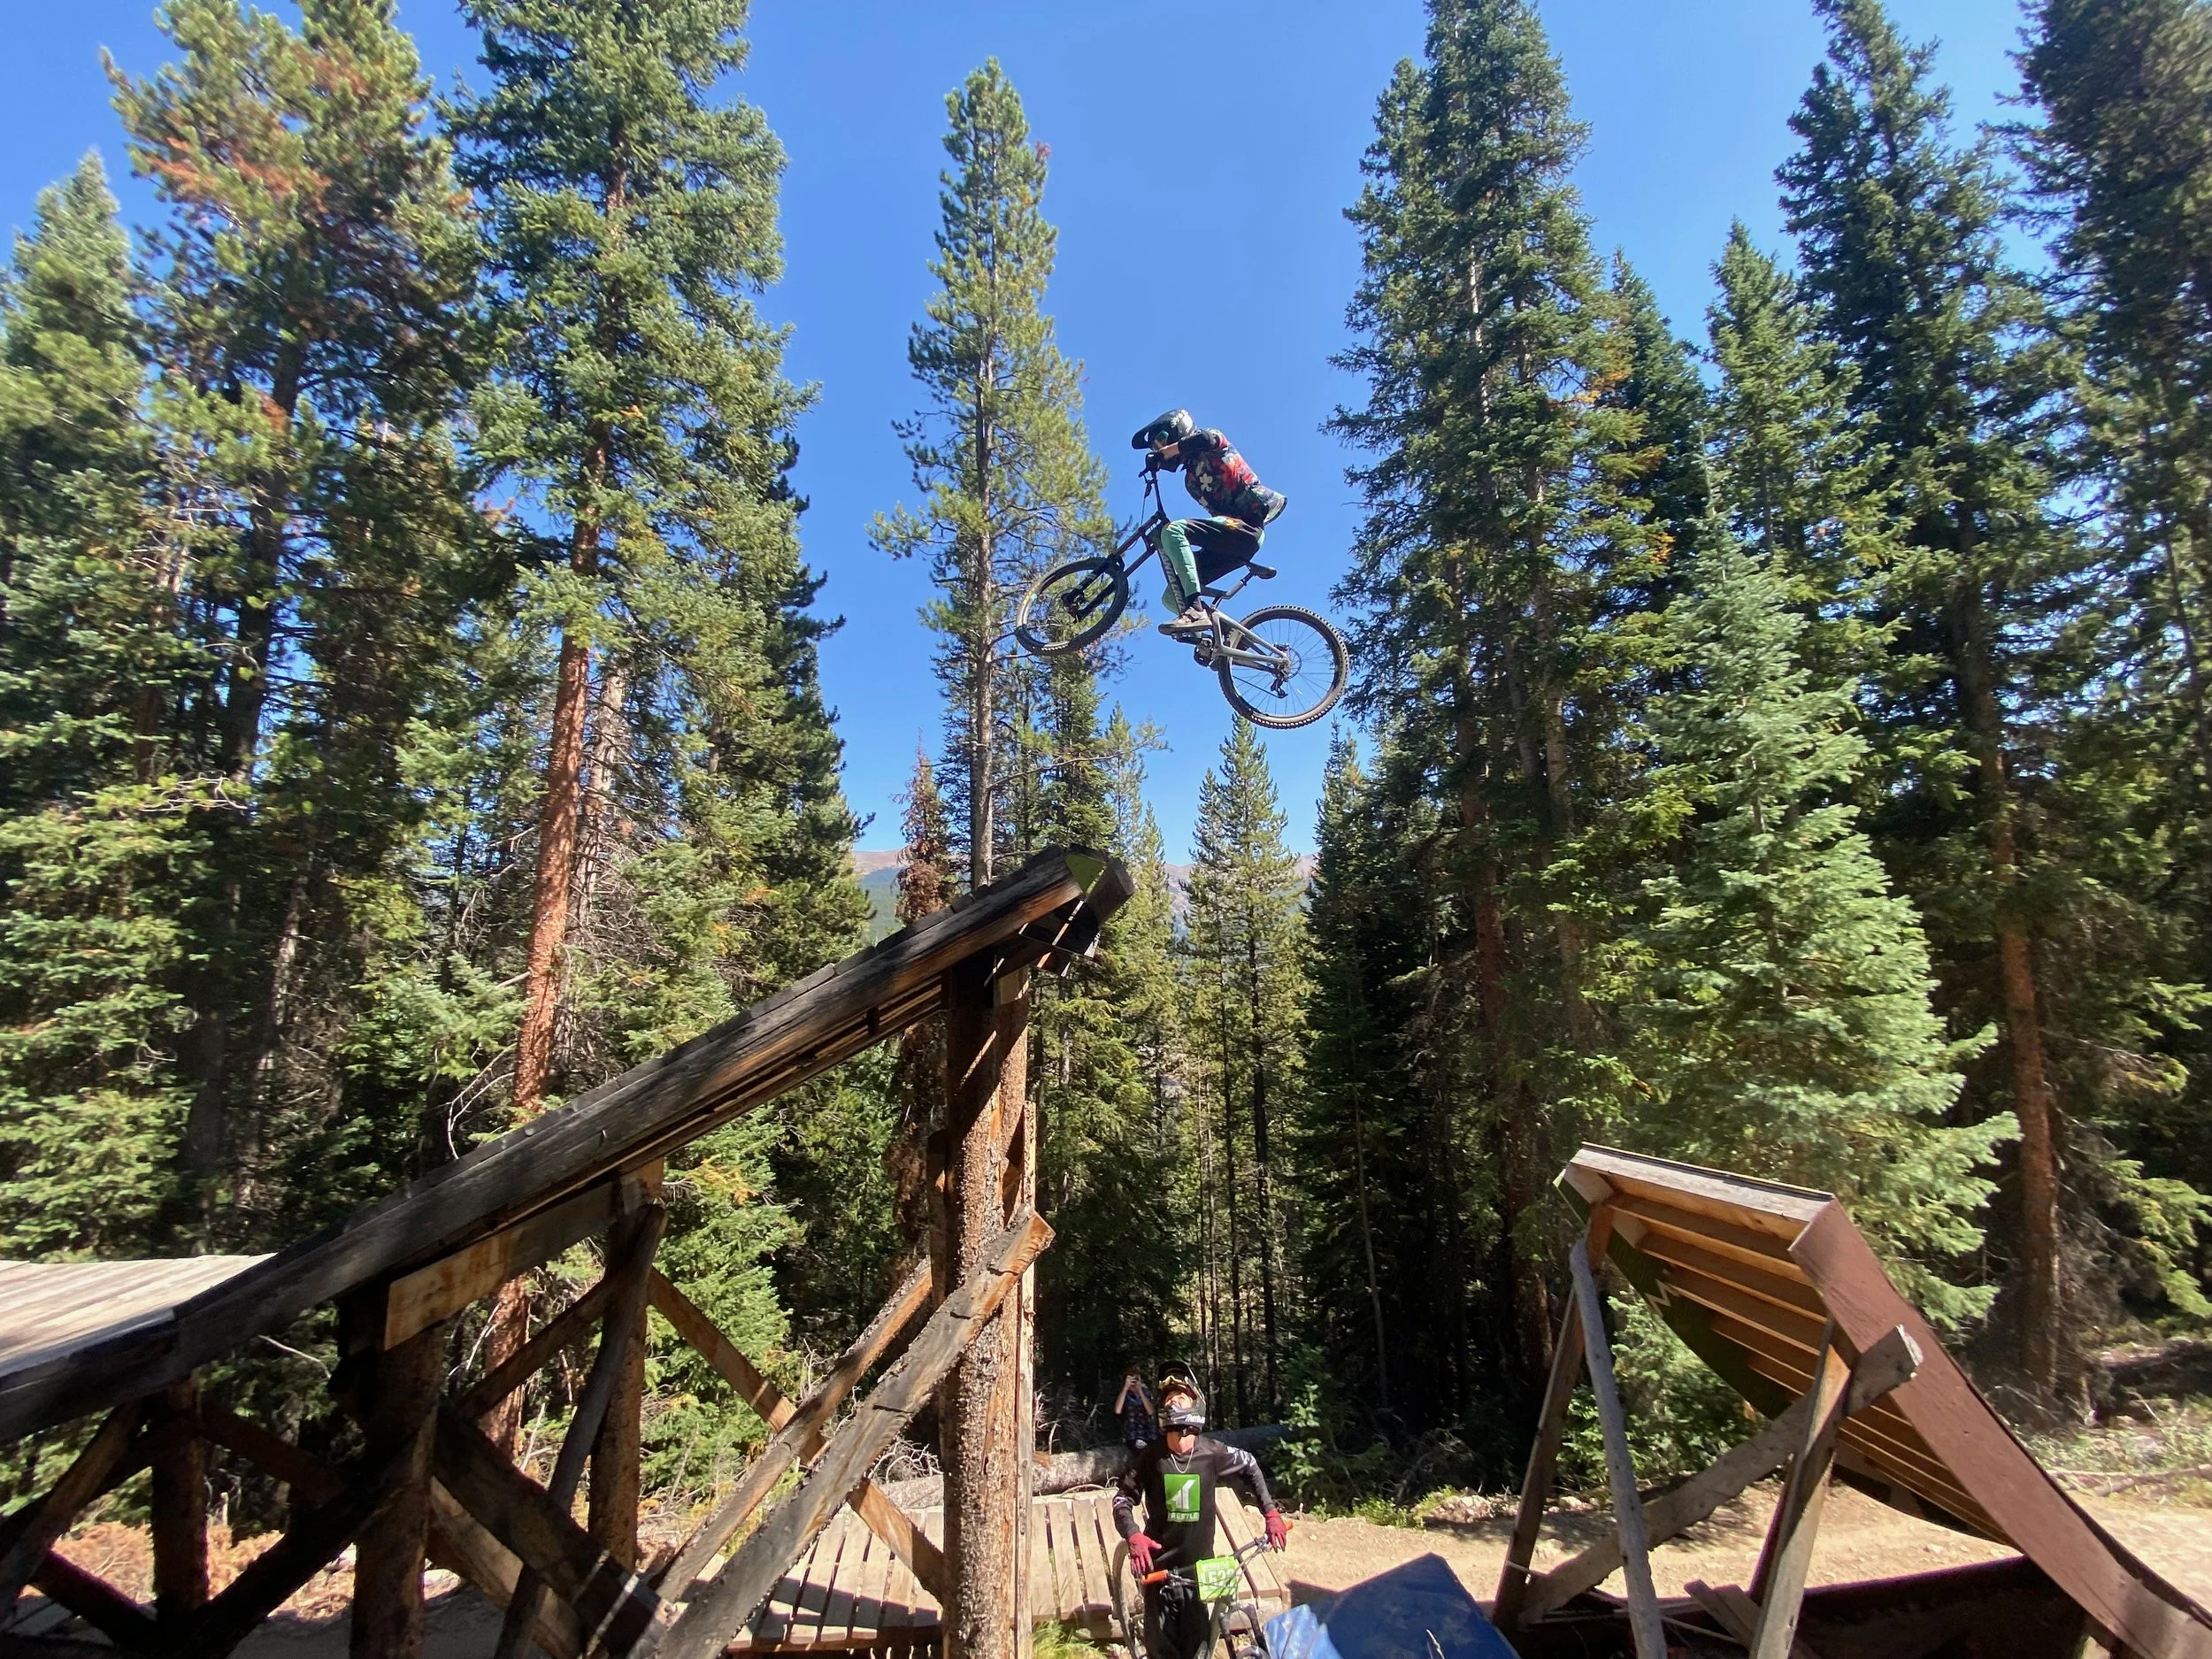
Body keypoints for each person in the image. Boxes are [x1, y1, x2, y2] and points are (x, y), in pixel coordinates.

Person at [1113, 1379, 1289, 1659]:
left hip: (1200, 1573)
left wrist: (1270, 1511)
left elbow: (1251, 1465)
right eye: (1168, 1397)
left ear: (1196, 1407)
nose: (1172, 1401)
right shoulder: (1150, 1457)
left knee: (1199, 1649)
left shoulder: (1212, 1453)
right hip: (1158, 1574)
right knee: (1162, 1652)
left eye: (1180, 1397)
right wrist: (1133, 1535)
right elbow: (1122, 1500)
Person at [1130, 409, 1287, 635]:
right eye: (1156, 448)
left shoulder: (1212, 443)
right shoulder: (1191, 481)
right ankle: (1231, 642)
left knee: (1174, 531)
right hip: (1227, 542)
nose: (1159, 450)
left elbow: (1205, 439)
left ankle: (1195, 612)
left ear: (1177, 430)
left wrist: (1165, 452)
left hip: (1248, 528)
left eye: (1160, 442)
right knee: (1173, 596)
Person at [1115, 1370, 1158, 1451]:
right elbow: (1117, 1410)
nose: (1134, 1382)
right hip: (1132, 1434)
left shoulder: (1146, 1393)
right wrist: (1126, 1387)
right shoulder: (1124, 1395)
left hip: (1148, 1433)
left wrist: (1140, 1391)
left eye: (1136, 1379)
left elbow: (1151, 1411)